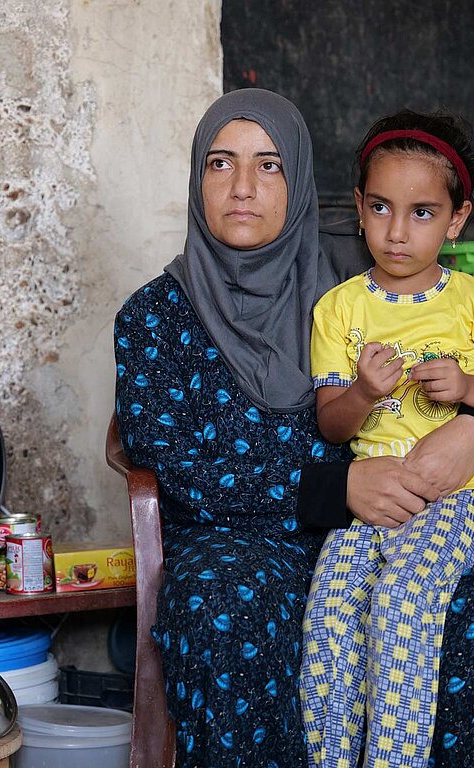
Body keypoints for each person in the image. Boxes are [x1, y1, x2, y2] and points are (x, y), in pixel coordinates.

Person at [113, 88, 474, 768]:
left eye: (269, 165)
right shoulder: (154, 317)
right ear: (197, 178)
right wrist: (335, 489)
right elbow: (178, 467)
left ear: (301, 178)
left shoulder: (362, 285)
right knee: (226, 602)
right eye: (221, 164)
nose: (243, 187)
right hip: (237, 540)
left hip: (397, 521)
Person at [300, 110, 474, 768]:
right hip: (370, 500)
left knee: (403, 601)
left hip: (457, 497)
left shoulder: (469, 301)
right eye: (380, 208)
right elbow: (331, 422)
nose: (397, 232)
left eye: (423, 213)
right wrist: (365, 394)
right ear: (358, 207)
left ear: (457, 220)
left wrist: (465, 386)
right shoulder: (339, 308)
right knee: (332, 613)